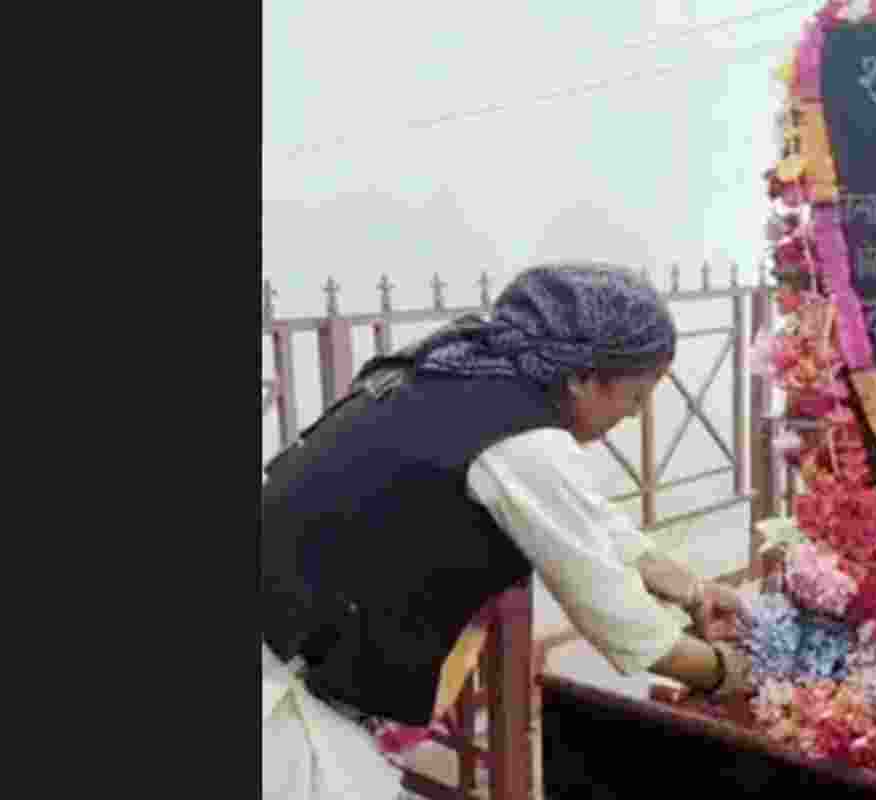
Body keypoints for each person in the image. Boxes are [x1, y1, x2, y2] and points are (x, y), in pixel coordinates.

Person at [261, 263, 755, 799]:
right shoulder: (522, 441)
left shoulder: (464, 371)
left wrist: (691, 589)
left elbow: (579, 516)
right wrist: (729, 673)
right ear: (581, 378)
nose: (635, 416)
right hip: (282, 687)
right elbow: (626, 629)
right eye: (635, 397)